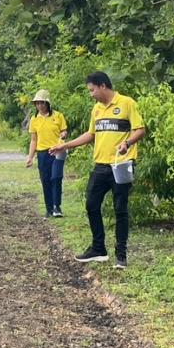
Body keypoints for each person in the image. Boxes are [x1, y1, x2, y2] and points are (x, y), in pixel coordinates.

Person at [49, 71, 145, 268]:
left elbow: (140, 129)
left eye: (92, 90)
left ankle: (121, 254)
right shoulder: (97, 110)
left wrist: (127, 143)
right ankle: (98, 248)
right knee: (91, 204)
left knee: (120, 209)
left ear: (103, 86)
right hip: (100, 165)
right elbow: (90, 134)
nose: (91, 94)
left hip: (122, 165)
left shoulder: (127, 103)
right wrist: (65, 146)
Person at [24, 89, 68, 218]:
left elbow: (64, 131)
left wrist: (63, 134)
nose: (40, 106)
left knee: (56, 177)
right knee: (46, 180)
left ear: (47, 103)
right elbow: (33, 140)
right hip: (42, 153)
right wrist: (30, 157)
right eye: (37, 103)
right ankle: (49, 208)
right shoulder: (34, 119)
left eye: (42, 103)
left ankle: (57, 206)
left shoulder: (58, 116)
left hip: (57, 151)